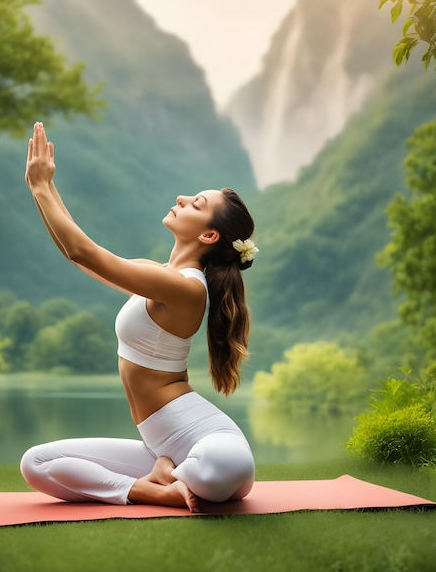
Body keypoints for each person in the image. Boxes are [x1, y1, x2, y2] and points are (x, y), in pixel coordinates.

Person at [20, 122, 258, 512]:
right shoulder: (159, 275)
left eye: (196, 204)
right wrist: (42, 188)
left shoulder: (188, 288)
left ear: (209, 236)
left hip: (209, 446)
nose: (181, 198)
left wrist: (41, 186)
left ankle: (169, 473)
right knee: (36, 464)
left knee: (220, 469)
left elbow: (84, 251)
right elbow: (78, 255)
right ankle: (156, 485)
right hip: (161, 445)